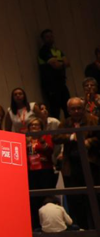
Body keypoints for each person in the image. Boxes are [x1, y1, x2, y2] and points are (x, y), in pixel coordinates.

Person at [53, 97, 100, 229]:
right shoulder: (65, 123)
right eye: (73, 109)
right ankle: (81, 227)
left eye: (79, 108)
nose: (76, 111)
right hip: (72, 166)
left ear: (83, 108)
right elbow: (55, 137)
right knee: (76, 199)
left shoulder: (93, 120)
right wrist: (71, 137)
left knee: (94, 197)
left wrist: (89, 142)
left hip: (92, 164)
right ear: (68, 110)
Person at [26, 117, 56, 230]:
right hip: (31, 172)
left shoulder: (46, 137)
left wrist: (42, 141)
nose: (34, 127)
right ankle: (35, 226)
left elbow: (50, 151)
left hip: (45, 171)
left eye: (36, 125)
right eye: (32, 125)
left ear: (41, 127)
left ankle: (49, 225)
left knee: (46, 198)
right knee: (33, 199)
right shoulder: (24, 139)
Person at [39, 30, 72, 120]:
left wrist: (59, 63)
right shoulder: (44, 51)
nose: (50, 38)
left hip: (61, 83)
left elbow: (67, 63)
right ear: (43, 39)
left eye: (51, 36)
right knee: (55, 110)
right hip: (51, 85)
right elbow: (56, 65)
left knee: (68, 107)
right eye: (47, 37)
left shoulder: (57, 51)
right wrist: (61, 63)